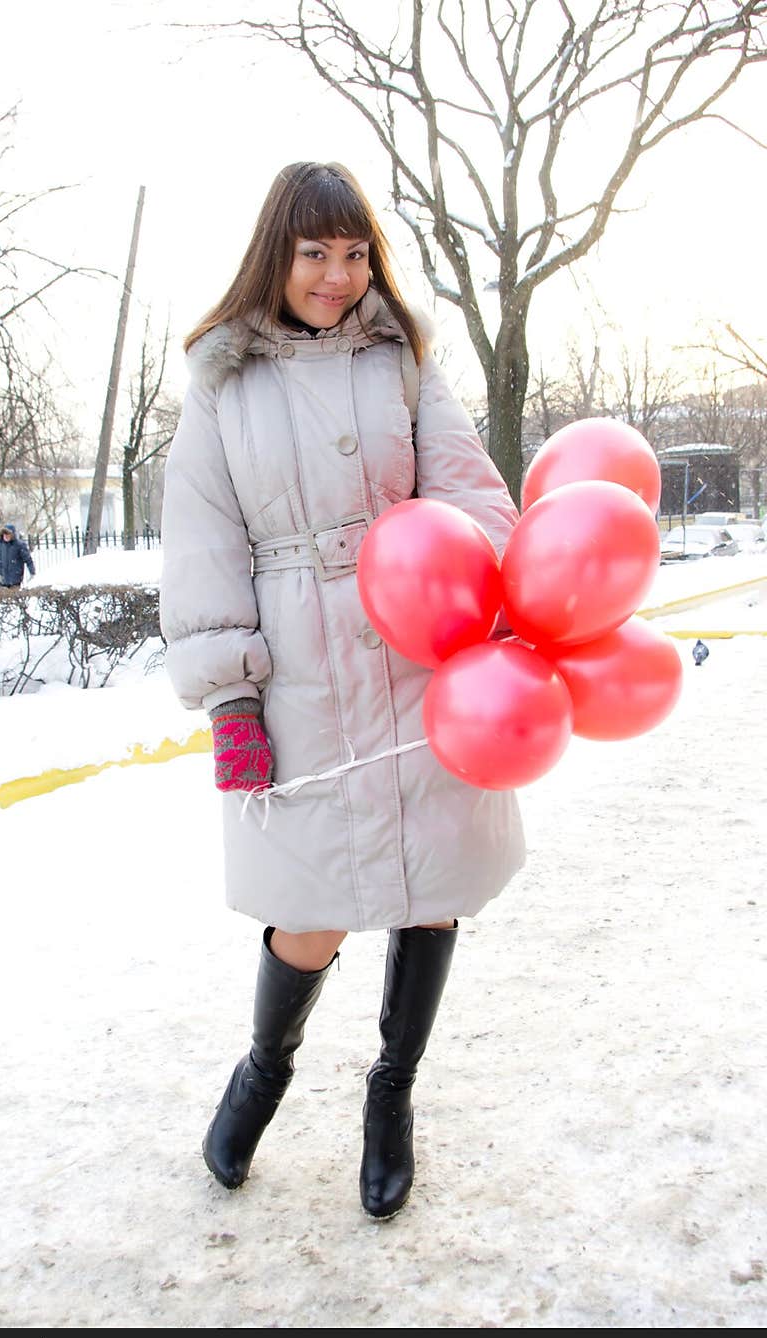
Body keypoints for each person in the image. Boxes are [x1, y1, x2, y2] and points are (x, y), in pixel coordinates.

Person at [160, 161, 525, 1220]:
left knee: (431, 889)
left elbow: (466, 485)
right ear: (276, 254)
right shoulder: (222, 381)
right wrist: (231, 698)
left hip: (422, 656)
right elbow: (203, 543)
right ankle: (263, 1070)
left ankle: (392, 1095)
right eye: (314, 251)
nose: (335, 273)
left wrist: (487, 597)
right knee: (306, 908)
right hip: (300, 671)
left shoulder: (401, 356)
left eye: (354, 251)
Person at [0, 523, 35, 588]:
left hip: (15, 579)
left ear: (12, 535)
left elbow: (28, 560)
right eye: (4, 534)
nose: (6, 536)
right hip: (3, 580)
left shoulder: (19, 545)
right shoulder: (1, 545)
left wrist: (32, 572)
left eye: (8, 534)